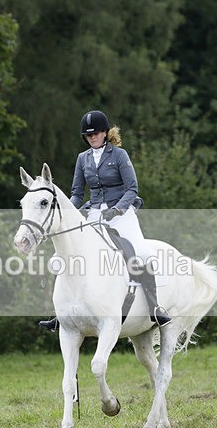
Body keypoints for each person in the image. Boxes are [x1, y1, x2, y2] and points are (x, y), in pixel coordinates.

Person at [39, 110, 171, 331]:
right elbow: (77, 192)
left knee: (141, 253)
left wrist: (118, 209)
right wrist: (71, 212)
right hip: (94, 214)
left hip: (122, 213)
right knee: (62, 256)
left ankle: (155, 308)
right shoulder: (83, 159)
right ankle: (59, 314)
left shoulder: (119, 155)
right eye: (88, 135)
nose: (93, 137)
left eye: (97, 133)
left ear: (105, 133)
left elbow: (132, 188)